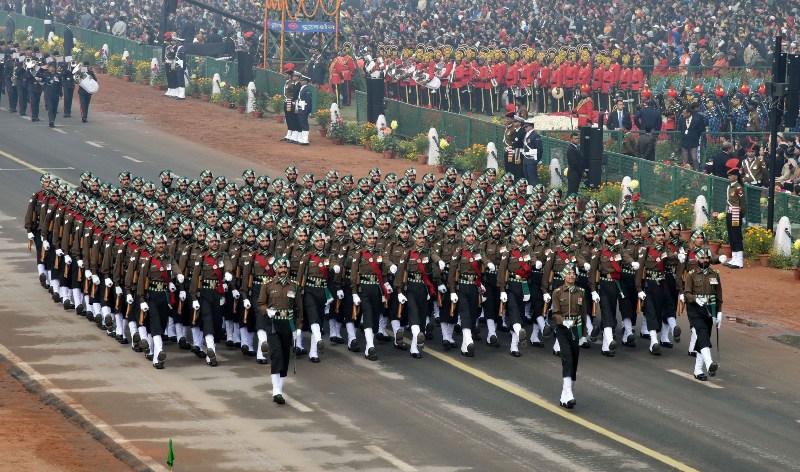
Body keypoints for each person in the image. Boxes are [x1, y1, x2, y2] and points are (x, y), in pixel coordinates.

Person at [257, 257, 303, 404]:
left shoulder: (294, 286)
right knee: (276, 355)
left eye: (285, 267)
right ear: (276, 269)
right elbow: (260, 304)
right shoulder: (268, 285)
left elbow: (299, 310)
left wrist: (299, 328)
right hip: (273, 324)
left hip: (287, 324)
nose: (283, 270)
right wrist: (267, 311)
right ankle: (276, 390)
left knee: (285, 356)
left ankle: (280, 390)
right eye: (281, 267)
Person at [136, 233, 175, 369]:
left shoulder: (170, 259)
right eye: (158, 243)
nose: (161, 246)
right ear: (154, 245)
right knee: (155, 323)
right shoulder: (149, 260)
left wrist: (179, 277)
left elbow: (176, 270)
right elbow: (141, 280)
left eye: (163, 243)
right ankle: (158, 355)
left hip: (164, 296)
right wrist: (141, 299)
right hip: (152, 296)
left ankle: (152, 351)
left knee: (162, 324)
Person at [683, 248, 722, 381]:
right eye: (702, 258)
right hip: (695, 310)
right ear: (697, 259)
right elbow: (686, 293)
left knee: (703, 338)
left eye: (707, 258)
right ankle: (709, 363)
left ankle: (698, 370)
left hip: (709, 310)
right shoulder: (691, 274)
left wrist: (719, 312)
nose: (705, 260)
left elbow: (718, 296)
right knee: (701, 332)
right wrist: (695, 299)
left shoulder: (715, 274)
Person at [551, 263, 585, 408]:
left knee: (575, 361)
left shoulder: (581, 292)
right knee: (567, 358)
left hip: (575, 329)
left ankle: (565, 395)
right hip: (563, 329)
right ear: (564, 276)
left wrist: (583, 334)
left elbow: (583, 314)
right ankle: (569, 392)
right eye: (569, 273)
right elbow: (555, 313)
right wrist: (563, 322)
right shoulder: (558, 292)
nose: (572, 276)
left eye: (574, 274)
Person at [724, 166, 746, 269]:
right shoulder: (730, 187)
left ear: (736, 176)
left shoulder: (738, 188)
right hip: (729, 212)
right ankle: (734, 257)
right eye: (728, 175)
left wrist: (742, 215)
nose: (729, 176)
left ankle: (739, 260)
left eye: (731, 175)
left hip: (736, 212)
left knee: (736, 235)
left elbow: (743, 204)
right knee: (731, 235)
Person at [521, 118, 543, 190]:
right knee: (527, 180)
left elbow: (539, 150)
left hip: (531, 160)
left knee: (533, 180)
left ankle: (535, 196)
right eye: (524, 127)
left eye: (526, 127)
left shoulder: (535, 135)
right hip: (526, 159)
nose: (525, 128)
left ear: (531, 127)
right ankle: (529, 195)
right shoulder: (527, 135)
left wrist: (536, 160)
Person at [41, 62, 61, 127]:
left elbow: (60, 85)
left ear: (54, 68)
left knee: (54, 109)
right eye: (49, 67)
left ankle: (53, 121)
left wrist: (61, 94)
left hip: (55, 94)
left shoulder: (58, 75)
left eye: (51, 67)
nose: (49, 68)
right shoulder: (46, 74)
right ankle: (51, 120)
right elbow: (41, 80)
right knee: (50, 108)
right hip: (48, 94)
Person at [295, 75, 312, 146]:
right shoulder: (302, 88)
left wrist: (308, 110)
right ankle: (302, 137)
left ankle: (305, 139)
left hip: (304, 108)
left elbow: (308, 101)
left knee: (304, 123)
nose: (300, 81)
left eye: (302, 80)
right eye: (300, 80)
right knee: (300, 122)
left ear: (306, 81)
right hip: (300, 107)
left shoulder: (307, 89)